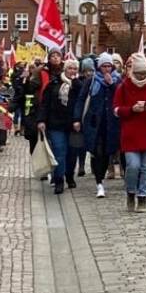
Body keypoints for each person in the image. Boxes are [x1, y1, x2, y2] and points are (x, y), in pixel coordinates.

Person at [114, 54, 146, 213]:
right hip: (131, 134)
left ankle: (143, 197)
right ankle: (131, 192)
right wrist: (131, 109)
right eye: (138, 74)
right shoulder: (123, 87)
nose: (142, 76)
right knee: (133, 166)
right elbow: (116, 109)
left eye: (144, 73)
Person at [37, 57, 83, 194]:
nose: (72, 71)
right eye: (70, 68)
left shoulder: (79, 85)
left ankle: (69, 175)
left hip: (73, 125)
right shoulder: (54, 84)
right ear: (65, 69)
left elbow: (82, 104)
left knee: (72, 153)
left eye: (75, 68)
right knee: (59, 152)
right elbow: (44, 104)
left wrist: (78, 120)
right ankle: (59, 180)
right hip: (56, 124)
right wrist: (41, 120)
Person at [78, 53, 121, 198]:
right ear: (99, 67)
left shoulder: (117, 80)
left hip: (111, 124)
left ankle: (101, 176)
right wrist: (77, 119)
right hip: (94, 122)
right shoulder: (91, 81)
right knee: (97, 152)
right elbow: (81, 100)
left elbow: (122, 97)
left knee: (107, 153)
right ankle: (99, 183)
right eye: (104, 66)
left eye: (109, 66)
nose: (107, 69)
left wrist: (112, 85)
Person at [75, 58, 96, 177]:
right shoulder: (79, 82)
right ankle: (81, 165)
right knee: (81, 143)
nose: (89, 73)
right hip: (83, 113)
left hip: (93, 114)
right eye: (86, 70)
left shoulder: (96, 81)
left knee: (94, 142)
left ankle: (94, 165)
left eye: (91, 70)